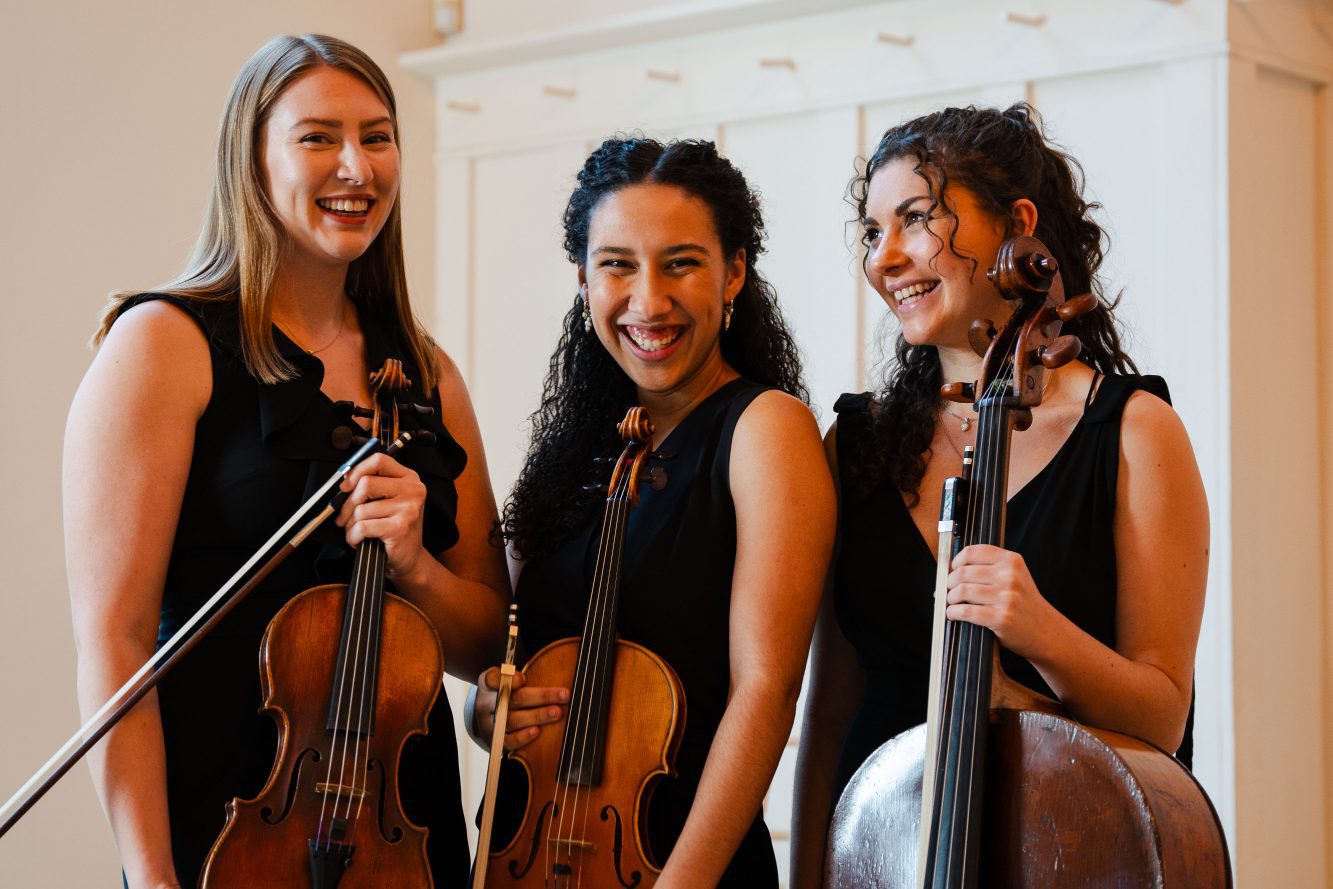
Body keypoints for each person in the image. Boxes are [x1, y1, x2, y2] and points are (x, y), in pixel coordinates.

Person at [65, 34, 510, 889]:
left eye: (377, 137)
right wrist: (151, 876)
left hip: (399, 839)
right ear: (252, 160)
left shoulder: (427, 374)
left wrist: (415, 564)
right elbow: (115, 644)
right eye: (317, 138)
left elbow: (487, 638)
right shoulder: (162, 346)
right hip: (223, 830)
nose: (357, 167)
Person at [789, 103, 1210, 887]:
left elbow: (1161, 717)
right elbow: (831, 709)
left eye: (916, 218)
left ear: (1018, 224)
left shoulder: (1133, 432)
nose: (884, 257)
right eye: (872, 231)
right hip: (881, 864)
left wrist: (1038, 631)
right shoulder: (857, 445)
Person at [469, 136, 835, 888]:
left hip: (681, 862)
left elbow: (765, 690)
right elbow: (511, 645)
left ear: (734, 273)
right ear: (583, 280)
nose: (648, 301)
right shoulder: (571, 448)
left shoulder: (765, 428)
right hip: (529, 855)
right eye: (617, 265)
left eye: (680, 263)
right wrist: (488, 707)